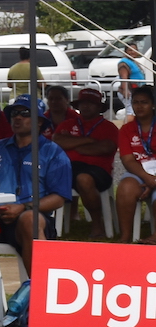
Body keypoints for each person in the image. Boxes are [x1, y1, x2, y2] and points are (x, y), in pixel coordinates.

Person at [0, 103, 71, 274]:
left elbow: (59, 197)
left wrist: (23, 207)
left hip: (33, 217)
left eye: (25, 113)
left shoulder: (53, 152)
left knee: (29, 219)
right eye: (14, 113)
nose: (17, 117)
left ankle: (40, 290)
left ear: (39, 122)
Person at [53, 85, 119, 235]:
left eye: (90, 103)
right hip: (68, 167)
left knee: (84, 179)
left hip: (98, 170)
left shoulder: (109, 127)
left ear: (98, 106)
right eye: (83, 103)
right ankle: (47, 224)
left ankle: (97, 224)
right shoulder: (68, 124)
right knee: (44, 175)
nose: (86, 106)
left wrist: (73, 143)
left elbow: (106, 148)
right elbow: (57, 141)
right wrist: (89, 140)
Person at [114, 84, 156, 245]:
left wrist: (153, 182)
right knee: (125, 188)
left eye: (144, 102)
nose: (139, 106)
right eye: (136, 102)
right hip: (139, 171)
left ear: (153, 104)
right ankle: (125, 238)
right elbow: (127, 160)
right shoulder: (126, 129)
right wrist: (147, 179)